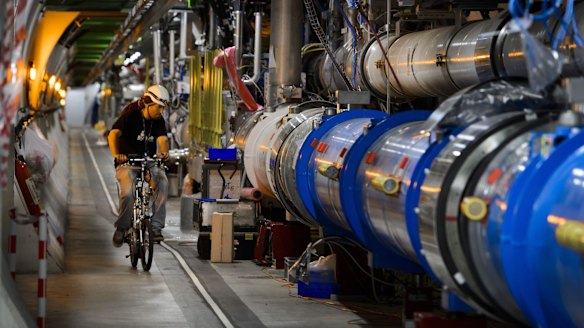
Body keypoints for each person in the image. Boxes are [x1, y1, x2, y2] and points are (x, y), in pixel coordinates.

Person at [108, 85, 170, 247]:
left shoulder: (158, 120)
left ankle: (156, 227)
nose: (161, 112)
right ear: (148, 103)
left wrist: (163, 153)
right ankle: (122, 228)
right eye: (159, 108)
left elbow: (162, 139)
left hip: (147, 160)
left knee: (161, 181)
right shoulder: (131, 114)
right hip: (127, 162)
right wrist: (117, 155)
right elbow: (113, 134)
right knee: (128, 193)